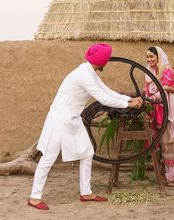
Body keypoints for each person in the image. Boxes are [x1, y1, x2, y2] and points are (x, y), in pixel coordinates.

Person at [28, 43, 143, 210]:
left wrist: (129, 100)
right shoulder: (84, 75)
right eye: (107, 59)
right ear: (102, 61)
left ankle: (86, 192)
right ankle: (34, 197)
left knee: (87, 152)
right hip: (60, 120)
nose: (107, 62)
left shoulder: (89, 71)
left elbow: (107, 90)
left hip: (72, 119)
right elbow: (103, 99)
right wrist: (128, 104)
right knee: (48, 158)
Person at [145, 46, 174, 183]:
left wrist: (151, 98)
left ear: (158, 57)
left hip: (172, 107)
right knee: (164, 139)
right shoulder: (152, 72)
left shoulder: (168, 69)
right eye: (147, 57)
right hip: (161, 107)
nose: (149, 60)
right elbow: (149, 89)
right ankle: (170, 172)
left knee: (173, 137)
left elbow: (164, 90)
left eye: (151, 56)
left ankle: (173, 173)